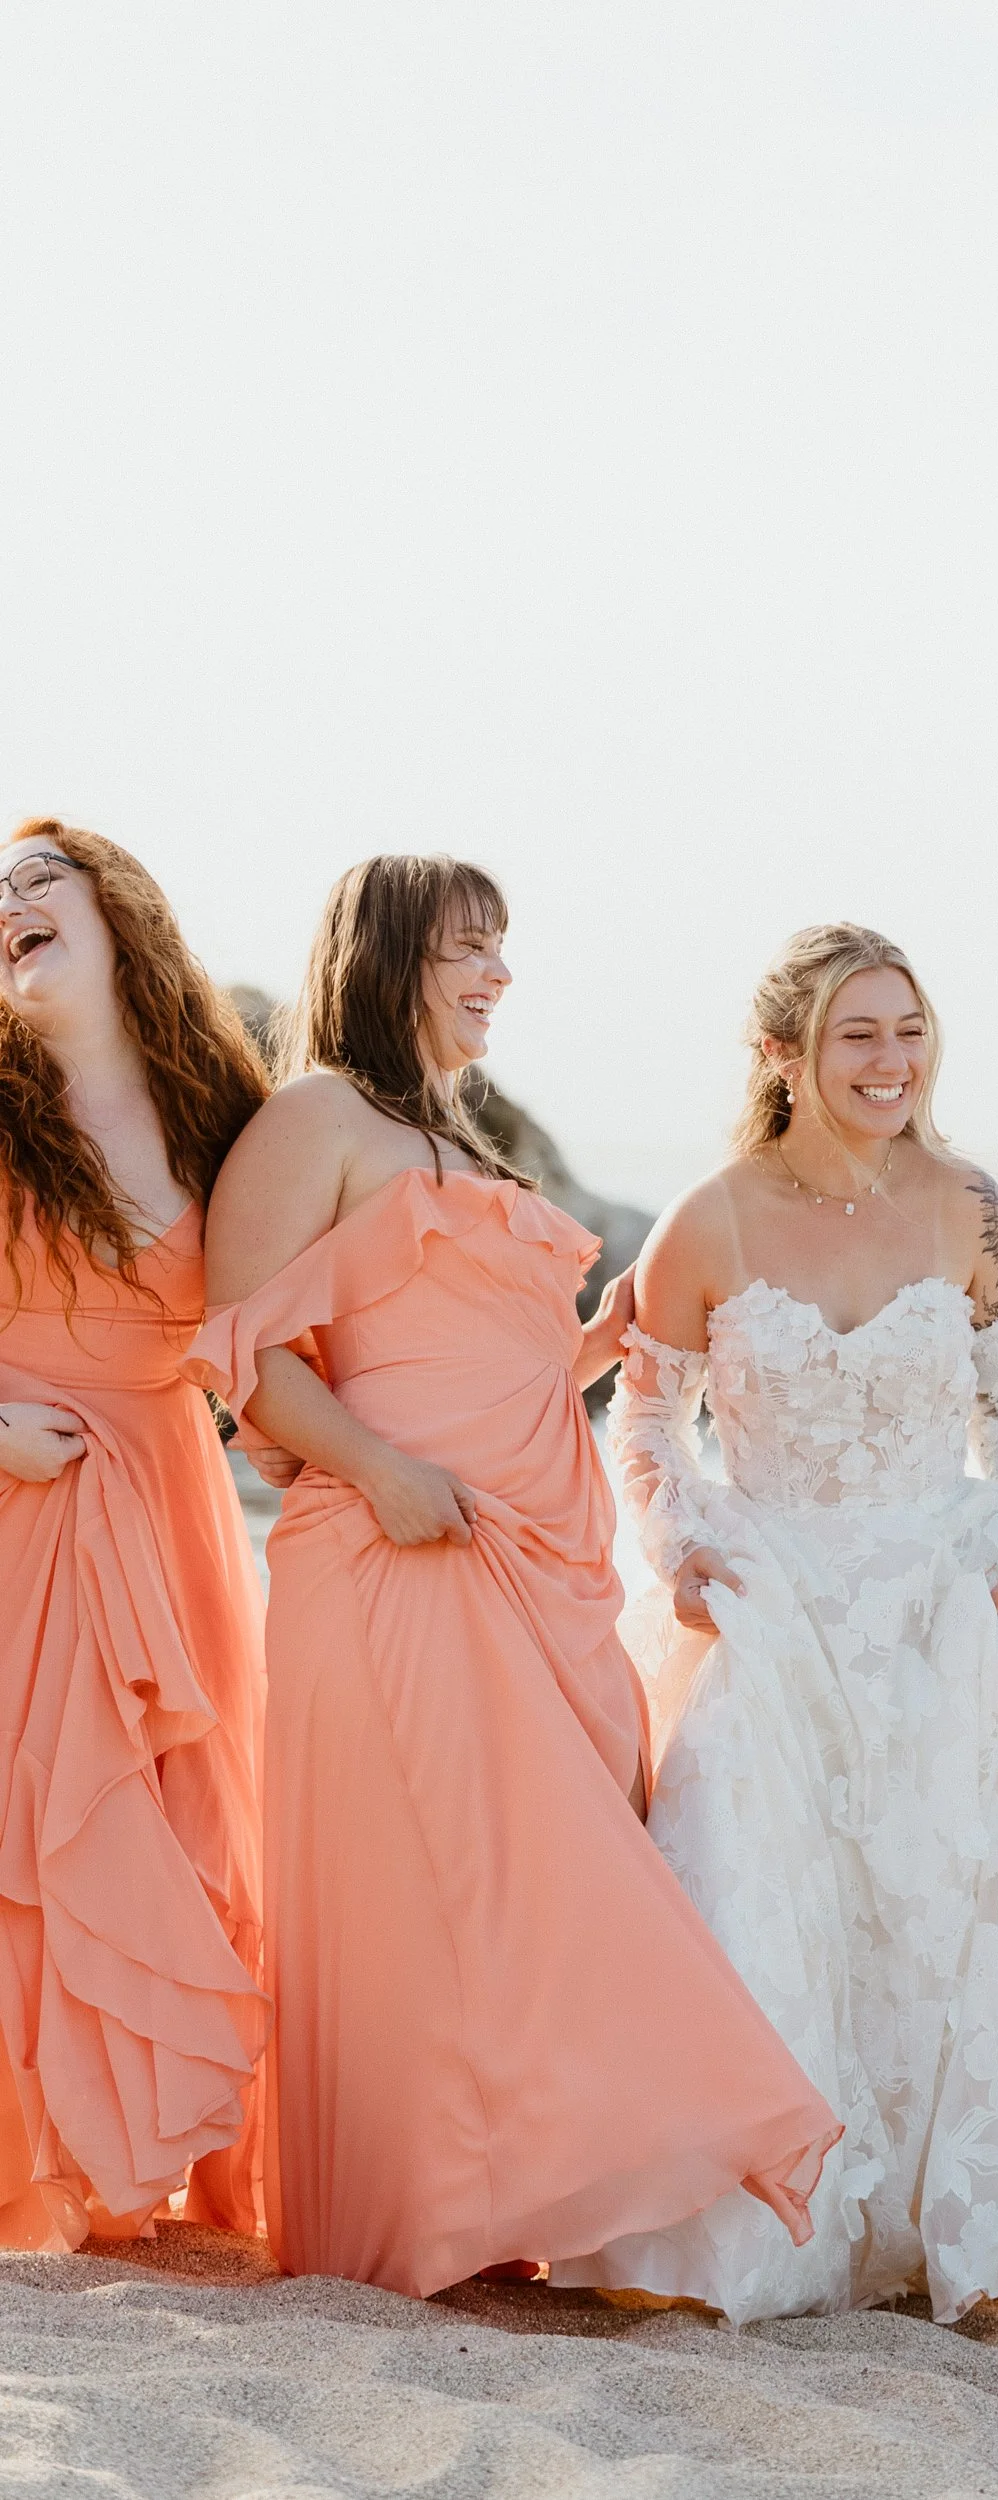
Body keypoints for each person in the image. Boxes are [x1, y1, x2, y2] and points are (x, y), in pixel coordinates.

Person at [189, 853, 837, 2298]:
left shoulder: (456, 1135)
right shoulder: (315, 1117)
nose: (494, 976)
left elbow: (475, 1356)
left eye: (501, 951)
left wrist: (592, 1353)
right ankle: (405, 2233)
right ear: (386, 957)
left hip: (528, 1556)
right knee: (446, 1885)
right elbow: (244, 1357)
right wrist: (382, 1473)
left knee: (543, 1867)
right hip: (393, 1553)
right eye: (466, 949)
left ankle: (509, 2205)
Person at [553, 922, 998, 2325]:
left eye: (907, 1030)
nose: (891, 1061)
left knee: (950, 1915)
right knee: (770, 1907)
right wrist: (680, 1550)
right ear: (784, 1057)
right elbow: (642, 1413)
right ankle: (767, 2236)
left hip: (940, 1606)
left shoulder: (968, 1204)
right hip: (772, 1602)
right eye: (857, 1035)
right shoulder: (715, 1214)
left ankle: (944, 2234)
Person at [0, 816, 269, 2247]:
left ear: (122, 919)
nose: (8, 905)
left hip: (167, 1500)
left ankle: (138, 2170)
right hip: (17, 1492)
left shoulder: (221, 1111)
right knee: (26, 1830)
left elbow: (297, 1322)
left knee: (181, 1829)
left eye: (38, 882)